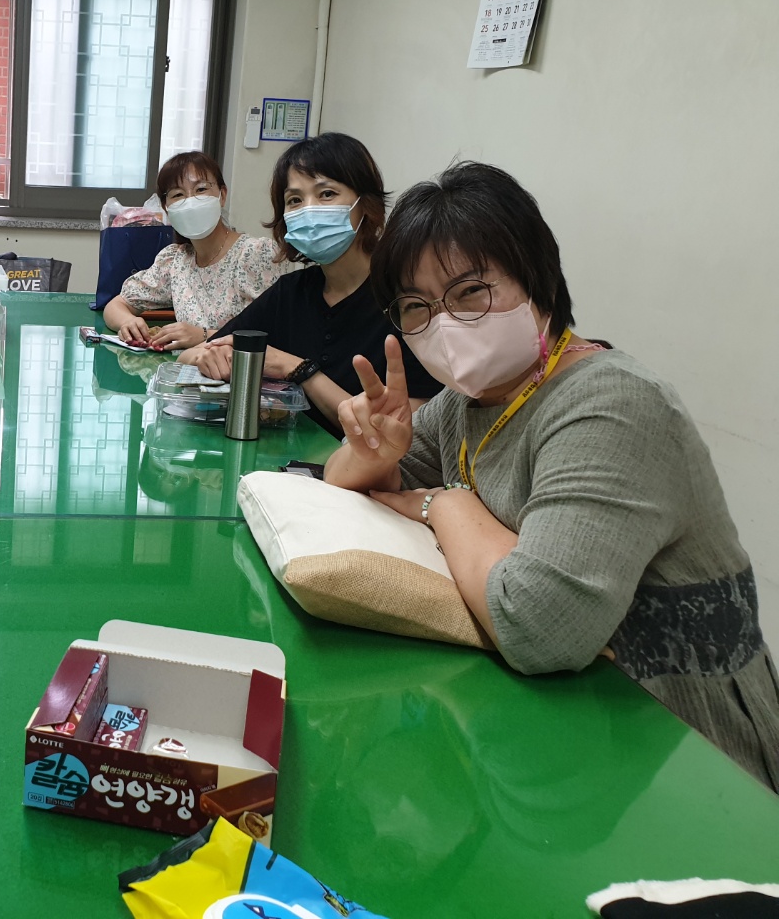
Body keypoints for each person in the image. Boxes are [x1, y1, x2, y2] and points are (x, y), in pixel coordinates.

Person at [325, 161, 779, 789]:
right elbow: (349, 486)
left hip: (679, 745)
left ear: (536, 277)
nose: (446, 323)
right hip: (552, 726)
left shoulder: (613, 402)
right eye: (417, 306)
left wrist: (444, 505)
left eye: (470, 291)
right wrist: (372, 449)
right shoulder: (468, 401)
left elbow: (539, 626)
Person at [179, 133, 442, 437]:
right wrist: (209, 357)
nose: (309, 210)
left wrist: (301, 371)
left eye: (327, 194)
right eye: (294, 200)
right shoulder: (292, 292)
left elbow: (406, 431)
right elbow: (192, 355)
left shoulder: (407, 299)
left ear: (366, 204)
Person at [103, 151, 289, 352]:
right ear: (166, 207)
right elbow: (116, 305)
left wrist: (204, 336)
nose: (190, 202)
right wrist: (128, 322)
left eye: (201, 189)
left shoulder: (255, 254)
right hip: (187, 369)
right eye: (178, 195)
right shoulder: (176, 260)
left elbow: (275, 336)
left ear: (222, 195)